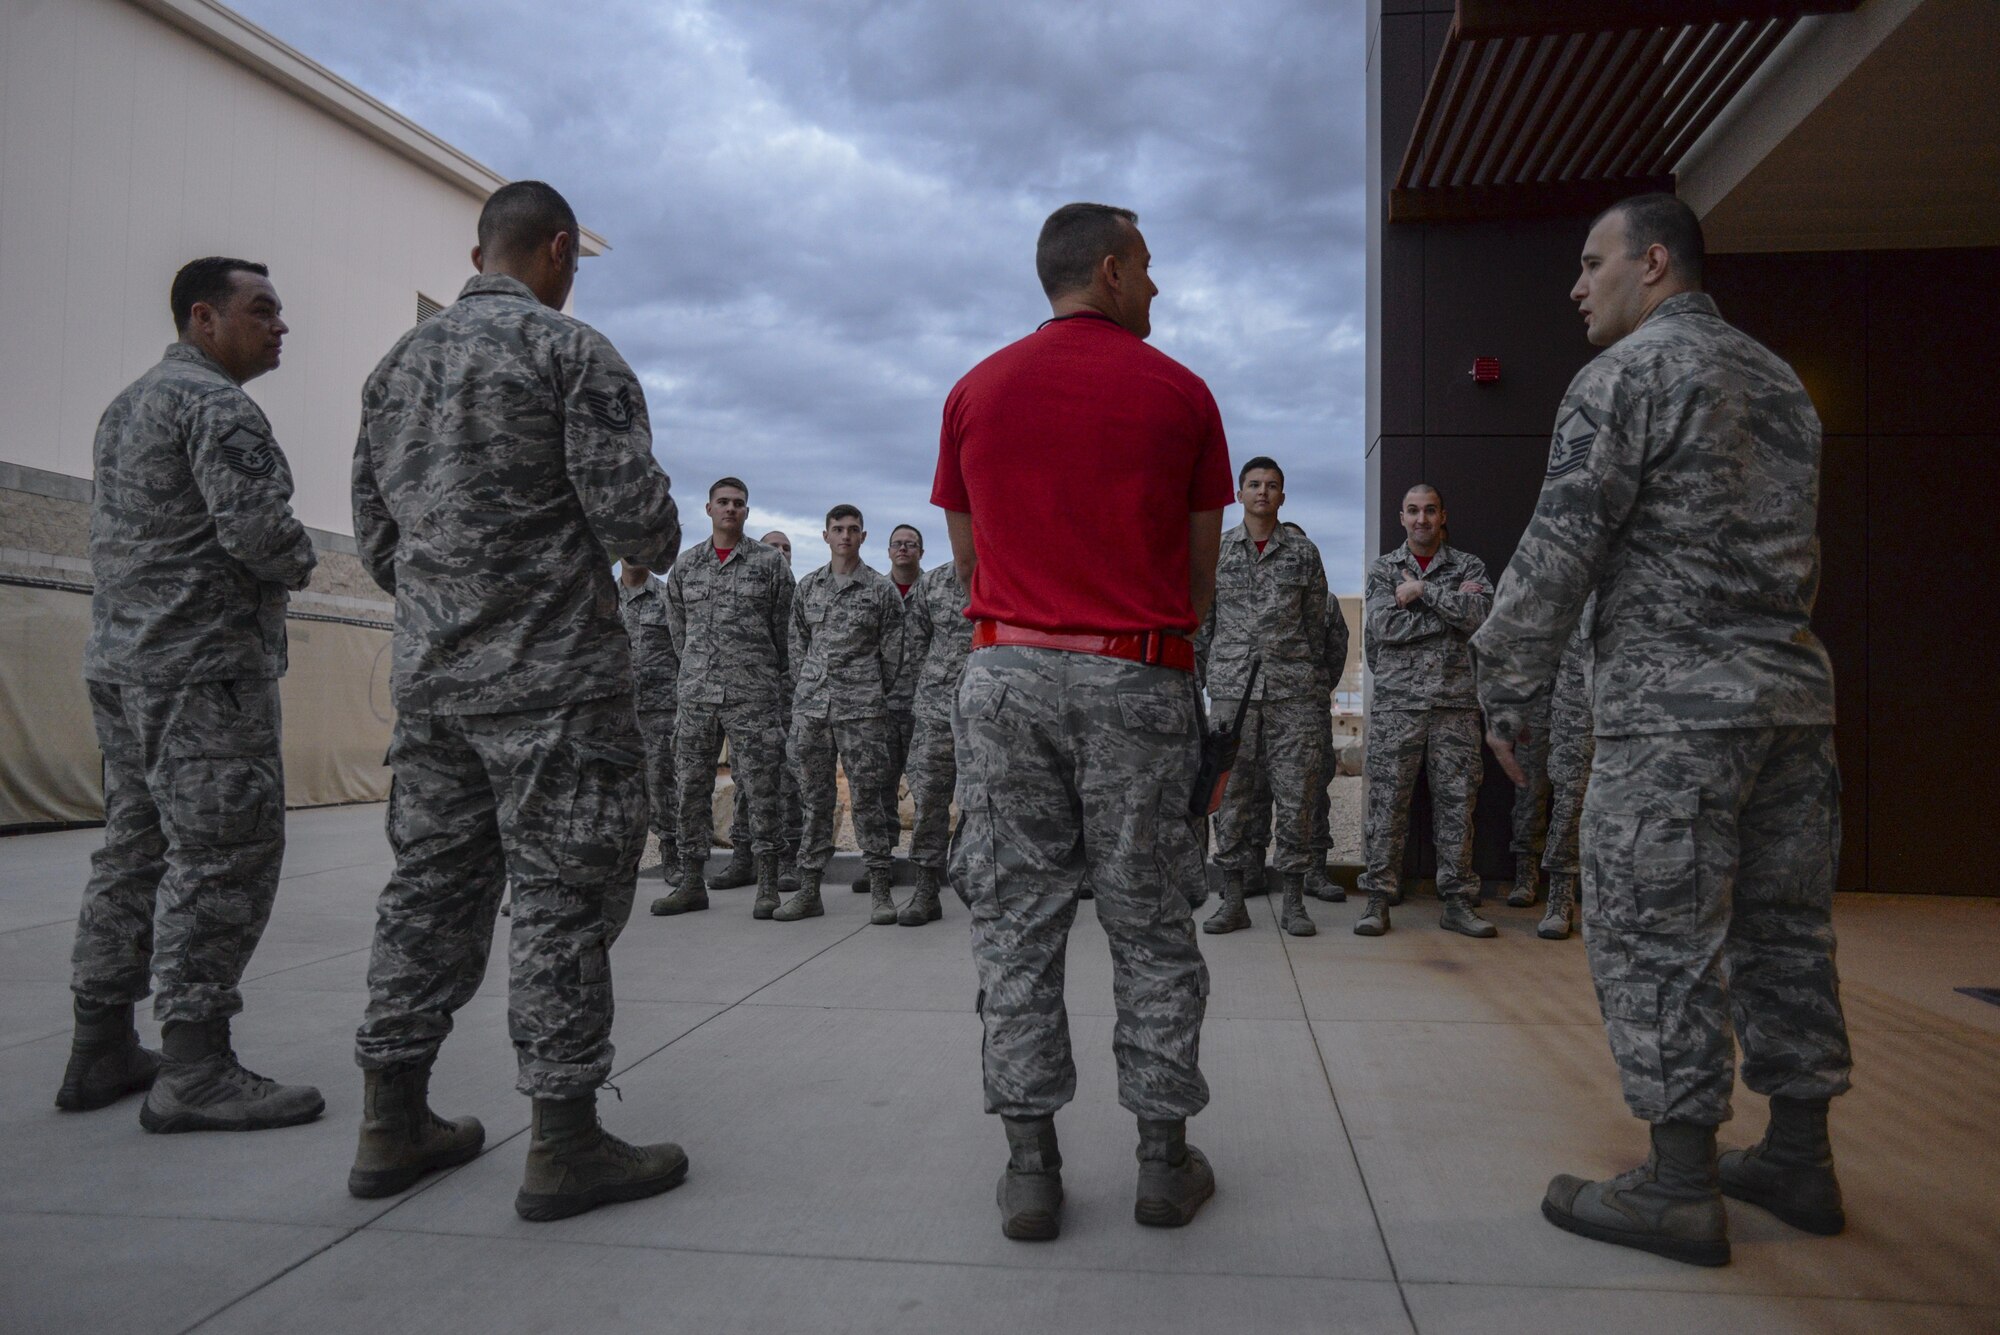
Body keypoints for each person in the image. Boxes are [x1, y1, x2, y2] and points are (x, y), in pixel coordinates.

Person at [1474, 193, 1852, 1266]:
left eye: (1590, 263)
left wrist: (1502, 686)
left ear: (1651, 263)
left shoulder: (1623, 378)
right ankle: (1796, 1156)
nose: (1573, 286)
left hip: (1673, 716)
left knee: (1654, 936)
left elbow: (1560, 546)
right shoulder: (1779, 381)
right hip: (1788, 706)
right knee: (1784, 933)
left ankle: (1680, 1184)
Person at [349, 181, 686, 1219]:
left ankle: (390, 1120)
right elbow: (640, 528)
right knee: (559, 902)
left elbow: (373, 542)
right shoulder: (570, 355)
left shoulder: (395, 370)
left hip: (434, 687)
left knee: (427, 894)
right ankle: (564, 1139)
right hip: (552, 692)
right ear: (553, 251)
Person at [935, 201, 1226, 1241]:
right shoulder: (1182, 393)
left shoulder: (972, 392)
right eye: (1145, 268)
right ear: (1108, 271)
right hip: (1135, 680)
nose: (1155, 287)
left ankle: (1029, 1171)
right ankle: (1158, 1162)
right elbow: (1199, 580)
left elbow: (968, 562)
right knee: (1149, 927)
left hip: (1003, 674)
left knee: (1014, 927)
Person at [59, 256, 323, 1132]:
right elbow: (258, 532)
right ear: (203, 318)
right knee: (223, 854)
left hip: (122, 667)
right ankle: (196, 1064)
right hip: (202, 670)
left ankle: (99, 1040)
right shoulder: (217, 405)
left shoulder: (127, 404)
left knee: (135, 849)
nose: (279, 325)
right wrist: (302, 560)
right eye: (262, 310)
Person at [1195, 458, 1332, 938]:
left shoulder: (1303, 553)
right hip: (1233, 696)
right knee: (1230, 798)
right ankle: (1232, 901)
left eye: (1272, 486)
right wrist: (1206, 682)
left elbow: (1317, 624)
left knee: (1296, 796)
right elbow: (1202, 624)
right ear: (1239, 493)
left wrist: (1308, 680)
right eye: (1254, 485)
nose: (1263, 493)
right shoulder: (1216, 551)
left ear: (1282, 496)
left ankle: (1293, 902)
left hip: (1292, 695)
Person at [1355, 485, 1496, 938]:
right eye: (1413, 511)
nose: (1422, 519)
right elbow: (1381, 626)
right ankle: (1378, 900)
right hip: (1399, 705)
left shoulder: (1469, 565)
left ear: (1442, 516)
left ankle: (1457, 902)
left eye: (1430, 511)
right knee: (1387, 805)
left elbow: (1479, 616)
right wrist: (1447, 609)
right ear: (1401, 517)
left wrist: (1420, 591)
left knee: (1458, 807)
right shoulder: (1383, 569)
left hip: (1456, 705)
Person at [651, 483, 795, 918]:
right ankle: (692, 882)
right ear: (709, 508)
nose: (730, 509)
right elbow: (678, 631)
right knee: (690, 788)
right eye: (723, 502)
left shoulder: (769, 564)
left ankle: (767, 882)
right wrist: (698, 669)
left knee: (761, 787)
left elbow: (785, 632)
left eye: (738, 503)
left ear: (746, 511)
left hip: (752, 695)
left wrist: (759, 673)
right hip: (697, 695)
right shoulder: (686, 566)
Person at [777, 505, 906, 923]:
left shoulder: (880, 591)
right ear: (826, 535)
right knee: (815, 799)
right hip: (812, 709)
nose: (845, 536)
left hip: (863, 710)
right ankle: (810, 890)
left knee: (869, 798)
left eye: (853, 530)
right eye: (838, 529)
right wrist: (809, 688)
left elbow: (892, 655)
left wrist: (866, 690)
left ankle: (881, 891)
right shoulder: (808, 587)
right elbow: (797, 646)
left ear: (864, 537)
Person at [715, 529, 803, 891]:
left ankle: (788, 859)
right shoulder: (744, 591)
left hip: (789, 700)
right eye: (772, 546)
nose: (779, 552)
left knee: (788, 780)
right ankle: (743, 856)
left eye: (786, 548)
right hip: (748, 699)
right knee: (745, 782)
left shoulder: (800, 594)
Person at [845, 522, 927, 894]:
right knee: (880, 788)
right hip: (879, 704)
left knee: (929, 790)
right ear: (888, 551)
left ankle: (927, 864)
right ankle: (881, 862)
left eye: (911, 544)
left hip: (925, 706)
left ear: (921, 552)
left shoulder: (935, 590)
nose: (904, 549)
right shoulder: (872, 591)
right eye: (897, 544)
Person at [900, 554, 974, 925]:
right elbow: (915, 644)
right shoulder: (932, 583)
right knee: (929, 797)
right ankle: (926, 888)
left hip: (991, 706)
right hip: (937, 706)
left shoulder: (1010, 572)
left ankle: (986, 883)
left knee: (993, 799)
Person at [1288, 520, 1351, 904]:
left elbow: (1336, 652)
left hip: (1308, 710)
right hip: (1261, 707)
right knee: (1254, 793)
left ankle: (1315, 871)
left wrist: (1313, 690)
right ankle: (1249, 873)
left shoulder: (1326, 602)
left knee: (1313, 793)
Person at [1535, 601, 1595, 940]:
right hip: (1573, 707)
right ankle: (1559, 901)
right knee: (1570, 802)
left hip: (1631, 705)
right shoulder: (1574, 574)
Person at [620, 560, 681, 887]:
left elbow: (682, 649)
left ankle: (671, 853)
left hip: (660, 710)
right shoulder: (601, 596)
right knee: (615, 790)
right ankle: (616, 864)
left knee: (662, 785)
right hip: (615, 711)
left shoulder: (667, 596)